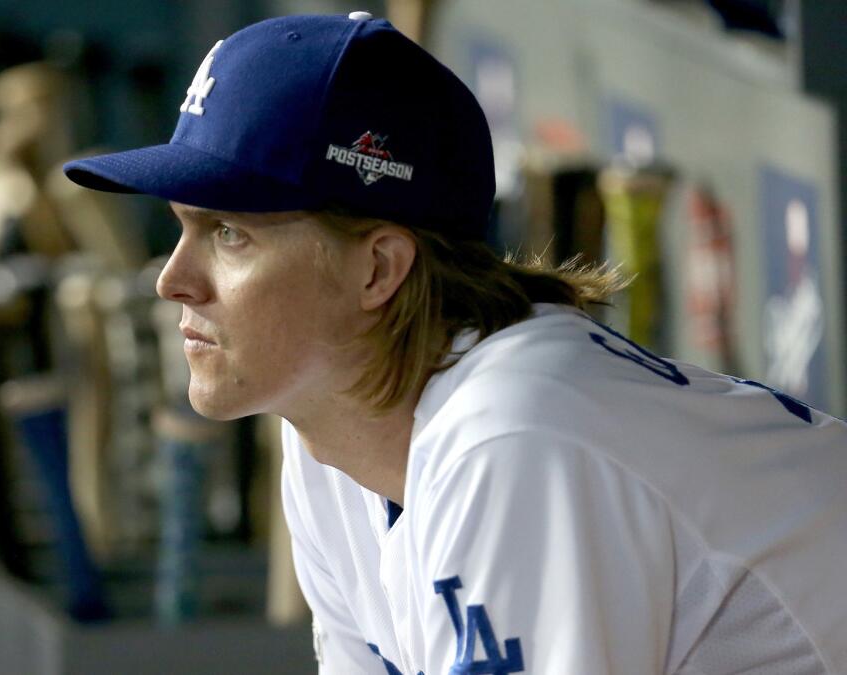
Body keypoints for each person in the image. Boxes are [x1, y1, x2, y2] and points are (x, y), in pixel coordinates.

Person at [63, 12, 847, 674]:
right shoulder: (331, 437)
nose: (173, 280)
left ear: (378, 268)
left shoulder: (513, 439)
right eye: (182, 229)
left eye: (228, 233)